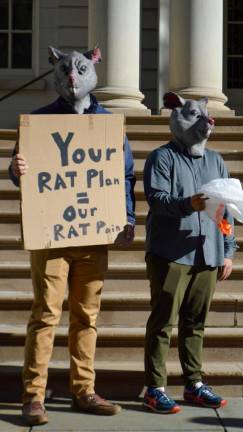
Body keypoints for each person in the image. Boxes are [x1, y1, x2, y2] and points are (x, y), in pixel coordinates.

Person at [9, 46, 135, 426]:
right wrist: (17, 168)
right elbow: (22, 174)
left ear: (92, 69)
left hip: (92, 234)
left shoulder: (109, 124)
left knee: (87, 315)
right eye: (65, 71)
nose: (71, 79)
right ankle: (34, 395)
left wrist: (127, 217)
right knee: (46, 314)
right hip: (52, 236)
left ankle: (83, 389)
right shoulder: (39, 122)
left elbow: (124, 175)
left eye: (79, 70)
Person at [142, 92, 237, 414]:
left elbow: (226, 210)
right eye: (196, 117)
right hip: (170, 254)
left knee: (195, 323)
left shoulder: (216, 160)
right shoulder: (162, 157)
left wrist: (227, 250)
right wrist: (187, 205)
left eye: (206, 117)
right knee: (163, 322)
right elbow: (156, 199)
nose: (206, 122)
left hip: (207, 254)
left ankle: (194, 383)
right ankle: (155, 387)